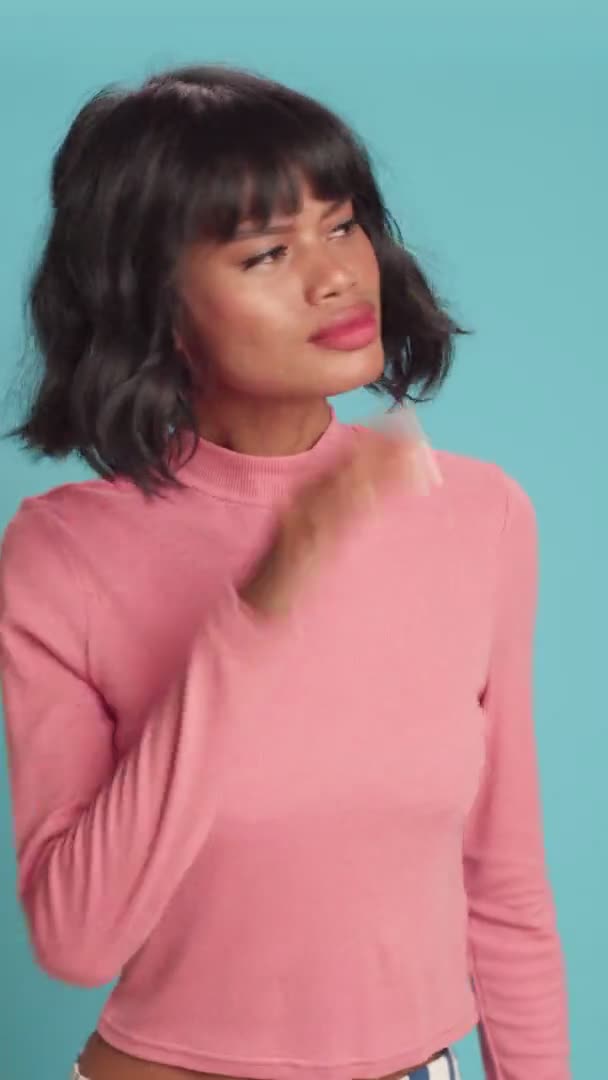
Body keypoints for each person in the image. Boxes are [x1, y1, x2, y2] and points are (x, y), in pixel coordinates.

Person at [0, 64, 571, 1080]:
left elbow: (505, 886)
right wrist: (255, 613)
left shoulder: (476, 513)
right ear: (155, 306)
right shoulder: (60, 553)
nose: (335, 277)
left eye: (342, 225)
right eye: (266, 251)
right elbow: (76, 940)